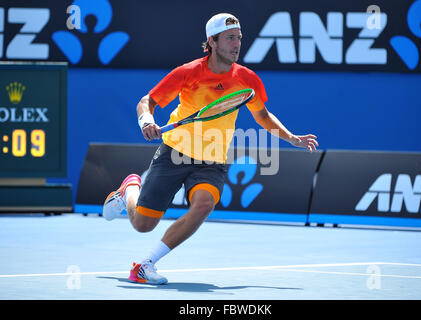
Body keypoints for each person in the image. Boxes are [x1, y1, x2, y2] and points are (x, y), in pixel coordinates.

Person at [102, 13, 319, 284]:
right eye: (230, 38)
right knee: (143, 224)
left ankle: (145, 265)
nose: (237, 43)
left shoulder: (247, 79)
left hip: (213, 159)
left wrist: (291, 138)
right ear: (212, 42)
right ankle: (129, 191)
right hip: (176, 151)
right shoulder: (188, 72)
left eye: (239, 37)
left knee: (204, 204)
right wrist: (147, 121)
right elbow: (147, 102)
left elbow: (262, 116)